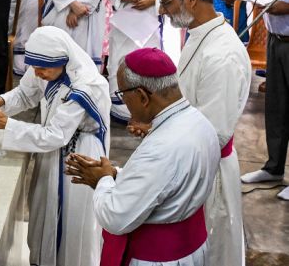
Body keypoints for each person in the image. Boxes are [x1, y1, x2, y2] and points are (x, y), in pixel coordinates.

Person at [65, 48, 219, 266]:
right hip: (192, 250)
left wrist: (102, 180)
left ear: (142, 96)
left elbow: (115, 217)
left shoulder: (160, 148)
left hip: (156, 258)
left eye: (122, 95)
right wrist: (115, 174)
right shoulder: (200, 123)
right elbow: (166, 182)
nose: (124, 103)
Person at [0, 26, 110, 266]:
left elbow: (56, 135)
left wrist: (7, 125)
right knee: (43, 211)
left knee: (70, 221)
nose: (37, 73)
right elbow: (26, 94)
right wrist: (2, 101)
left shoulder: (84, 86)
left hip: (78, 154)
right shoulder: (43, 66)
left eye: (43, 69)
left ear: (62, 62)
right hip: (51, 149)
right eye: (34, 67)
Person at [156, 0, 251, 265]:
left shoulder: (222, 54)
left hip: (208, 170)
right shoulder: (199, 34)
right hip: (191, 159)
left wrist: (163, 135)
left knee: (213, 249)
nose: (162, 10)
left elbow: (214, 132)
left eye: (166, 2)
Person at [232, 0, 289, 201]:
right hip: (276, 39)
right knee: (276, 107)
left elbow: (282, 3)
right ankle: (273, 168)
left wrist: (279, 6)